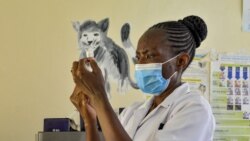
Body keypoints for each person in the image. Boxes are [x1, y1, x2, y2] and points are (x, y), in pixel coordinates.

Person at [70, 15, 215, 141]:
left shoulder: (195, 109)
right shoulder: (132, 112)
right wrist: (89, 119)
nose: (140, 64)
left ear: (180, 61)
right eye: (138, 57)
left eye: (149, 55)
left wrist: (99, 95)